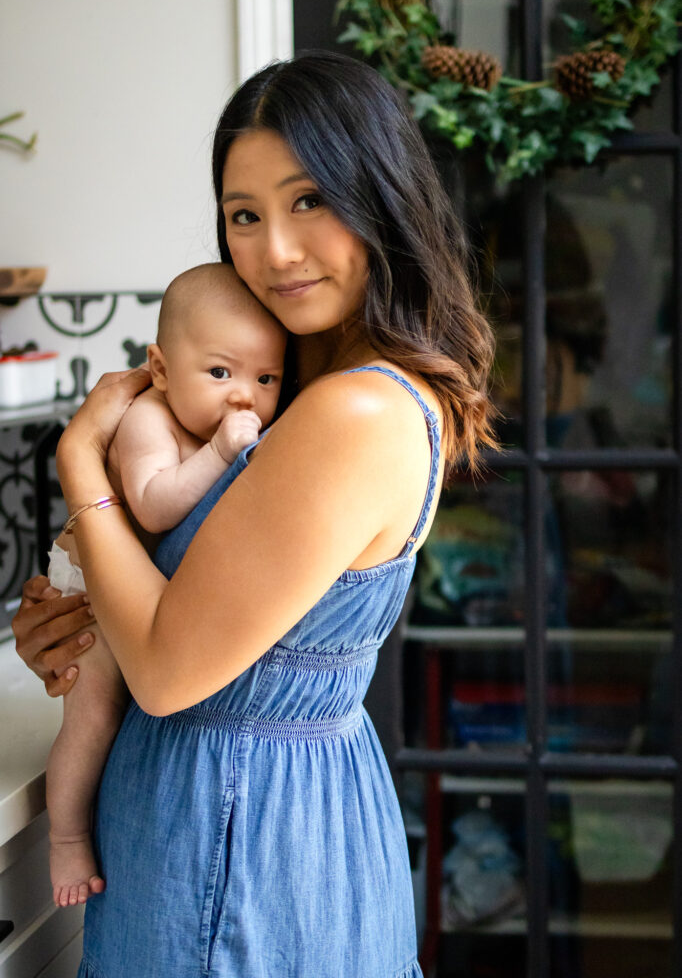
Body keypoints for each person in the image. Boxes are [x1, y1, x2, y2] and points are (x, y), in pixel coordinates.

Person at [13, 50, 496, 977]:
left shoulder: (354, 410)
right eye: (245, 215)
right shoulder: (287, 379)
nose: (274, 249)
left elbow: (163, 672)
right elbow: (172, 611)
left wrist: (79, 464)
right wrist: (72, 634)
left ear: (381, 195)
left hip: (238, 840)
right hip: (247, 820)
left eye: (309, 199)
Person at [45, 262, 286, 908]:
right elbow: (152, 507)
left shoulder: (222, 422)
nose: (244, 397)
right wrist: (218, 455)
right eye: (220, 373)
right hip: (91, 578)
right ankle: (66, 836)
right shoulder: (150, 420)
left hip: (140, 588)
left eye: (266, 379)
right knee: (96, 713)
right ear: (159, 368)